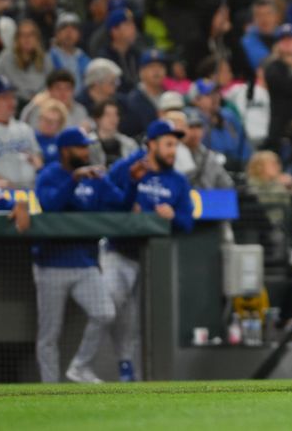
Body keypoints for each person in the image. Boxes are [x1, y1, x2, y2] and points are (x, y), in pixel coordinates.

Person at [34, 126, 125, 383]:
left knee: (104, 312)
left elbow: (119, 203)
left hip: (84, 262)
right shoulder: (49, 174)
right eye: (80, 147)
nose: (86, 152)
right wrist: (73, 179)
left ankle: (80, 366)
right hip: (51, 263)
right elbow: (49, 206)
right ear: (66, 150)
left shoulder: (92, 176)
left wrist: (112, 179)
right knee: (50, 334)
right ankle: (49, 389)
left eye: (87, 147)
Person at [105, 119, 194, 381]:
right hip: (119, 251)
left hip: (154, 260)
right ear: (151, 145)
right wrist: (129, 209)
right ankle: (121, 365)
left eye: (175, 145)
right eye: (167, 144)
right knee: (108, 308)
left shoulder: (177, 180)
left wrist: (172, 216)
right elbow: (107, 203)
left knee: (149, 321)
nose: (172, 150)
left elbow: (187, 223)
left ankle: (147, 378)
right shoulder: (125, 169)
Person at [0, 75, 42, 189]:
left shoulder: (24, 128)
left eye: (13, 97)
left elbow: (37, 156)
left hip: (30, 191)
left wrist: (37, 162)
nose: (11, 102)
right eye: (5, 97)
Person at [0, 19, 53, 103]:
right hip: (12, 102)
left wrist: (39, 97)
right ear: (17, 38)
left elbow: (50, 84)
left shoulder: (46, 59)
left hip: (40, 103)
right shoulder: (5, 58)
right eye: (22, 35)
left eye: (31, 34)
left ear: (37, 38)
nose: (27, 38)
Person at [119, 49, 166, 139]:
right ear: (141, 72)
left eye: (160, 66)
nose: (157, 71)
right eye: (151, 67)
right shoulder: (132, 100)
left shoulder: (169, 96)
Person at [20, 69, 90, 129]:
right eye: (58, 88)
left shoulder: (80, 110)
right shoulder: (39, 109)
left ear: (73, 91)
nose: (63, 93)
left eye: (67, 88)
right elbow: (25, 127)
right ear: (49, 91)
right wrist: (33, 104)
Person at [182, 109, 234, 189]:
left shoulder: (209, 156)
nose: (195, 132)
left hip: (208, 199)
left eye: (198, 127)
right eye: (191, 127)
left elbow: (227, 185)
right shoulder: (175, 155)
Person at [47, 12, 91, 92]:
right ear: (57, 34)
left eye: (74, 28)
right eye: (64, 28)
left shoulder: (86, 60)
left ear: (79, 34)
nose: (69, 32)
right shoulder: (48, 58)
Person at [89, 99, 138, 168]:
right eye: (108, 115)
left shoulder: (129, 143)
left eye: (116, 114)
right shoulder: (88, 143)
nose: (113, 119)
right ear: (97, 119)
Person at [34, 98, 69, 166]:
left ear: (60, 124)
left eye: (52, 122)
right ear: (40, 119)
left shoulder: (63, 143)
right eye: (45, 119)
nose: (47, 124)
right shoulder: (30, 138)